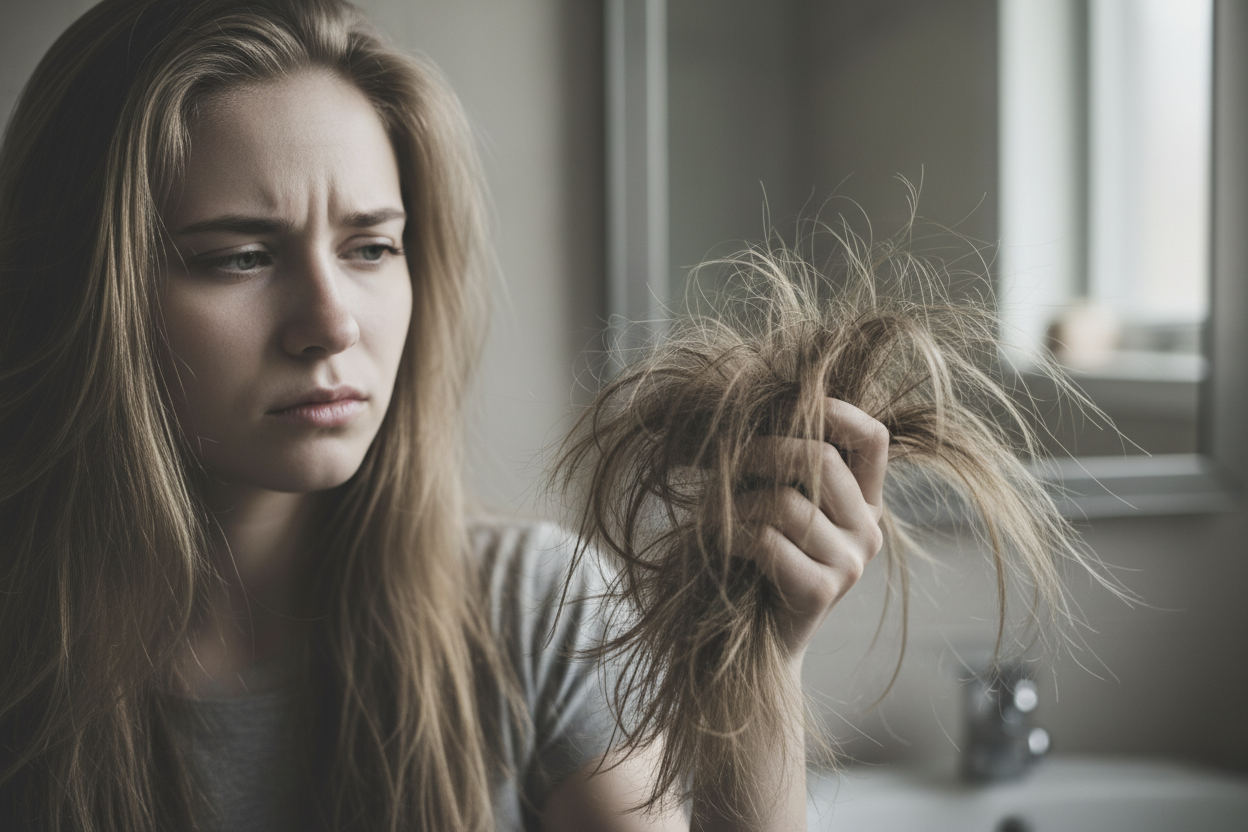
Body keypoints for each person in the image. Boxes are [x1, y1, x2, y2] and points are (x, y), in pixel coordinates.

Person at [0, 1, 890, 829]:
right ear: (83, 291)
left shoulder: (536, 617)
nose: (332, 322)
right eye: (239, 257)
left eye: (372, 247)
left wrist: (756, 674)